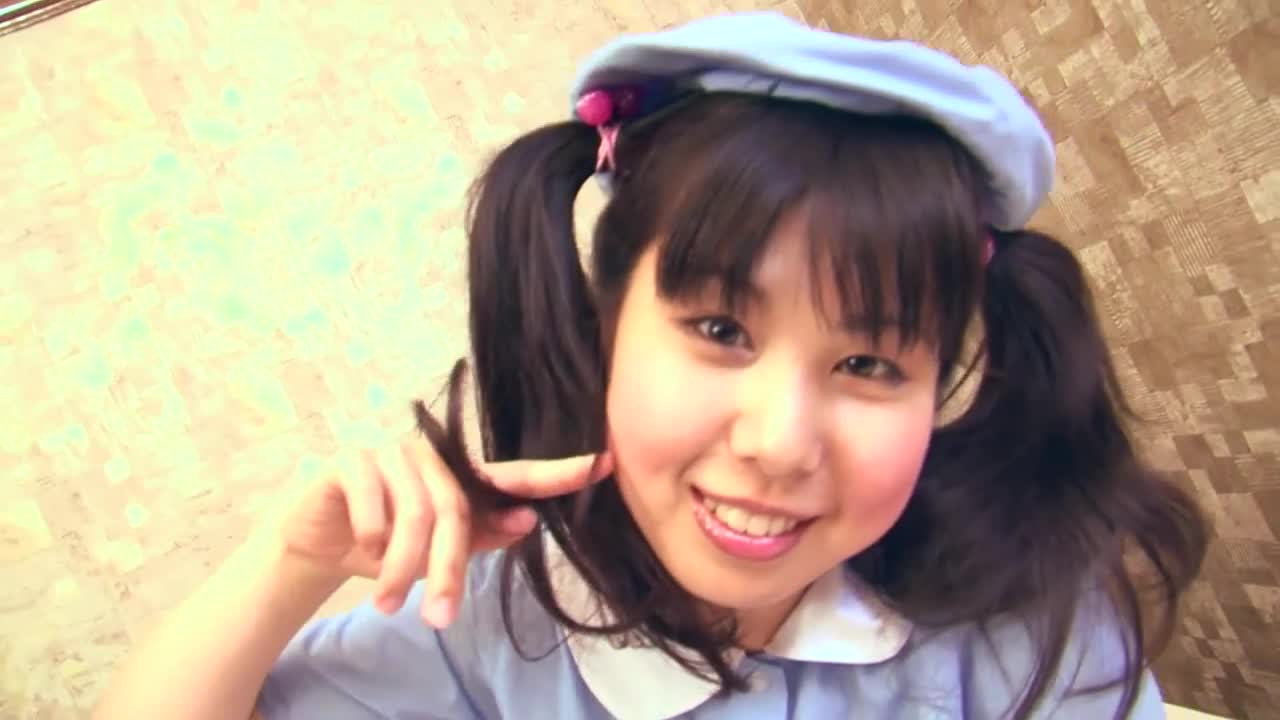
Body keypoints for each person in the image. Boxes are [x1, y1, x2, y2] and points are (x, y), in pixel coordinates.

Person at [95, 12, 1209, 720]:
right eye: (720, 331)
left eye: (869, 362)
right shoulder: (493, 619)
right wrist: (285, 565)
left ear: (940, 388)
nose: (778, 442)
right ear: (605, 327)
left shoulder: (1021, 614)